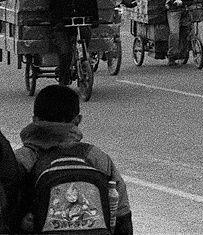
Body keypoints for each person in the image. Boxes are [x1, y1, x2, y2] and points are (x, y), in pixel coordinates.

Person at [14, 84, 133, 235]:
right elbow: (121, 212)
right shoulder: (96, 157)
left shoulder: (22, 159)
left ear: (34, 120)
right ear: (77, 120)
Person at [46, 0, 98, 87]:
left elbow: (92, 4)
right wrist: (58, 22)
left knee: (86, 34)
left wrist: (94, 19)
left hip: (80, 23)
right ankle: (63, 80)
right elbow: (53, 8)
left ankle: (84, 62)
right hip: (63, 26)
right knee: (65, 52)